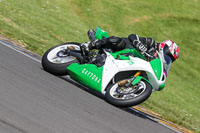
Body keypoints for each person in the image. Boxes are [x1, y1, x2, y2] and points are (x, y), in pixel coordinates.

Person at [85, 28, 180, 64]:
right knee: (117, 41)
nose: (167, 58)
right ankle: (91, 45)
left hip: (126, 61)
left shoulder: (156, 62)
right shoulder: (151, 43)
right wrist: (139, 45)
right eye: (168, 54)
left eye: (170, 58)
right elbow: (132, 36)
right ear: (164, 46)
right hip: (124, 47)